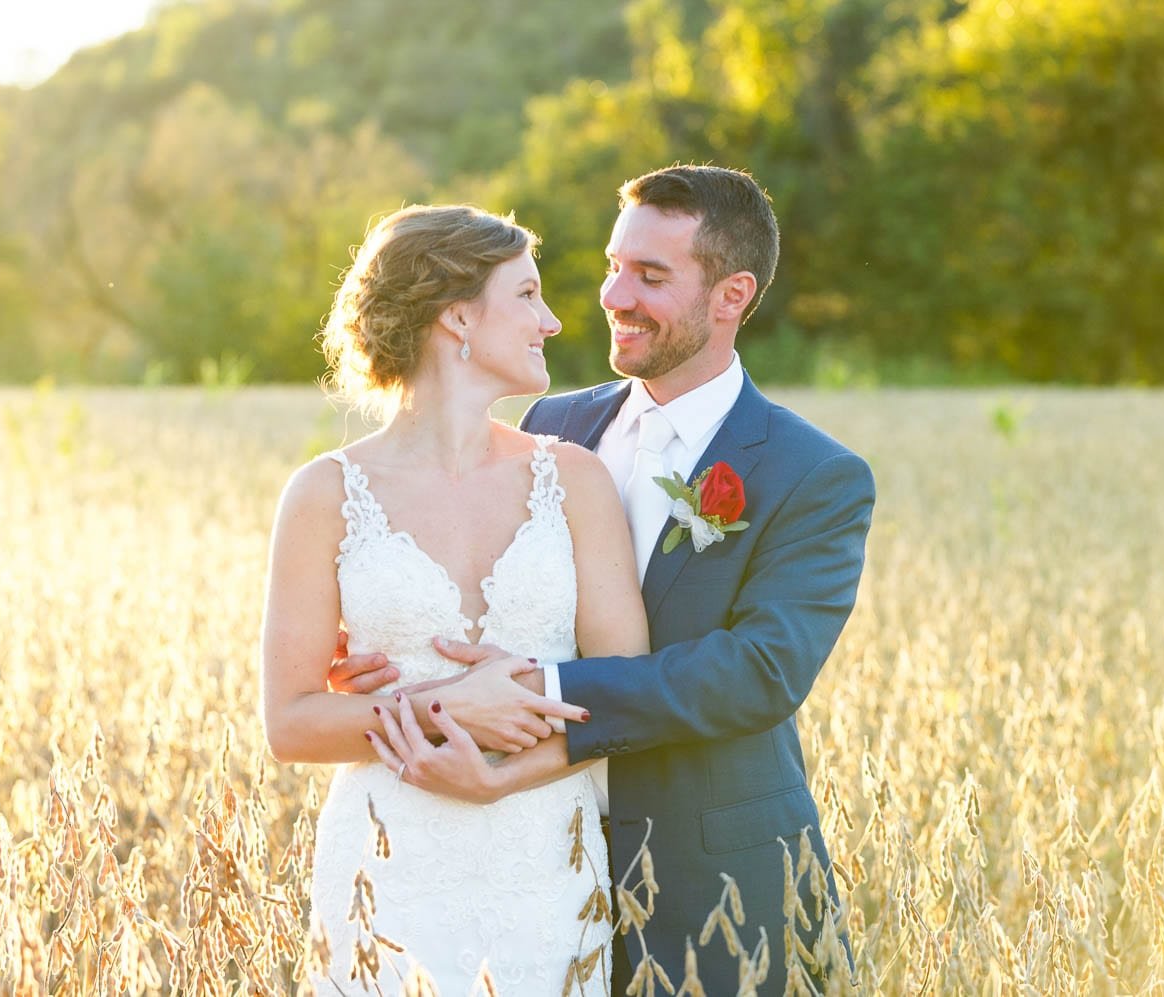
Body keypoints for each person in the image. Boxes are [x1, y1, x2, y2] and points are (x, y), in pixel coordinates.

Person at [339, 166, 875, 995]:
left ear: (732, 294)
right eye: (612, 265)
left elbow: (761, 672)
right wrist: (385, 650)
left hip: (714, 878)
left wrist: (538, 688)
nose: (614, 295)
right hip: (535, 859)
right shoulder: (554, 424)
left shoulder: (815, 475)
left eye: (651, 277)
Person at [260, 204, 650, 992]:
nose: (552, 319)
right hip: (387, 858)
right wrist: (447, 705)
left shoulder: (574, 478)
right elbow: (291, 722)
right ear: (458, 315)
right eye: (528, 295)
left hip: (546, 857)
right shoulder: (324, 493)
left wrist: (503, 766)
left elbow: (627, 695)